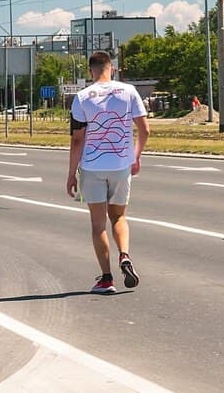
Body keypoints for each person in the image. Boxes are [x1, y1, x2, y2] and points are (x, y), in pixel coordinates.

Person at [68, 50, 150, 294]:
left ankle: (106, 279)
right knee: (119, 217)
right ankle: (124, 255)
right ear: (111, 68)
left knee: (98, 225)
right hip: (121, 165)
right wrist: (136, 156)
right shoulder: (129, 91)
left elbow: (77, 141)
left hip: (92, 167)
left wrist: (71, 173)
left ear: (90, 70)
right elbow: (145, 130)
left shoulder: (82, 98)